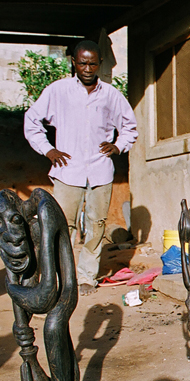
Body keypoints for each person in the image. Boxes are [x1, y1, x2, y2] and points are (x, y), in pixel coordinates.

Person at [24, 40, 138, 296]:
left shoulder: (111, 95)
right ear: (74, 63)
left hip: (100, 170)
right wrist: (48, 150)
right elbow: (32, 120)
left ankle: (87, 277)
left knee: (96, 225)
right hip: (67, 171)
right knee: (63, 225)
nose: (87, 68)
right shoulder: (58, 91)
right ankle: (63, 277)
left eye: (93, 63)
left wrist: (118, 146)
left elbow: (130, 126)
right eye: (83, 62)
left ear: (100, 64)